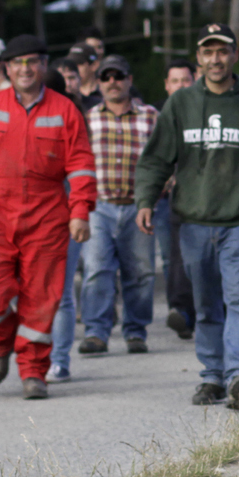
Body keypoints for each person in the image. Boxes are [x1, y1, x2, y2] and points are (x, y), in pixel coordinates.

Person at [135, 23, 239, 411]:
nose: (216, 59)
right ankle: (211, 376)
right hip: (194, 222)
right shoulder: (181, 104)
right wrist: (146, 200)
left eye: (223, 51)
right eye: (208, 52)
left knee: (238, 300)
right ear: (199, 58)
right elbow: (156, 158)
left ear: (234, 55)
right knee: (206, 305)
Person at [0, 34, 95, 400]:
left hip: (47, 218)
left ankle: (34, 373)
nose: (25, 69)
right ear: (6, 68)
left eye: (33, 62)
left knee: (41, 298)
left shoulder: (65, 111)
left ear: (44, 65)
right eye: (18, 63)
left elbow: (80, 165)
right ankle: (0, 344)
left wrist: (80, 211)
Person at [77, 54, 158, 355]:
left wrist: (164, 184)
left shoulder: (151, 116)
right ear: (98, 83)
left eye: (119, 76)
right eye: (106, 77)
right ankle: (96, 332)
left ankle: (136, 331)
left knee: (141, 271)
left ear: (129, 80)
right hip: (99, 205)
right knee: (97, 269)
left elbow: (165, 156)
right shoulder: (88, 118)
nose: (113, 82)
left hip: (140, 206)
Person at [153, 59, 198, 341]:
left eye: (186, 80)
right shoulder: (159, 117)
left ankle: (196, 312)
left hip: (206, 198)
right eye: (175, 81)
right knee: (174, 259)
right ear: (167, 86)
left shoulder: (205, 111)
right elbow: (152, 158)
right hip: (169, 199)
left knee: (200, 259)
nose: (181, 86)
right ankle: (181, 312)